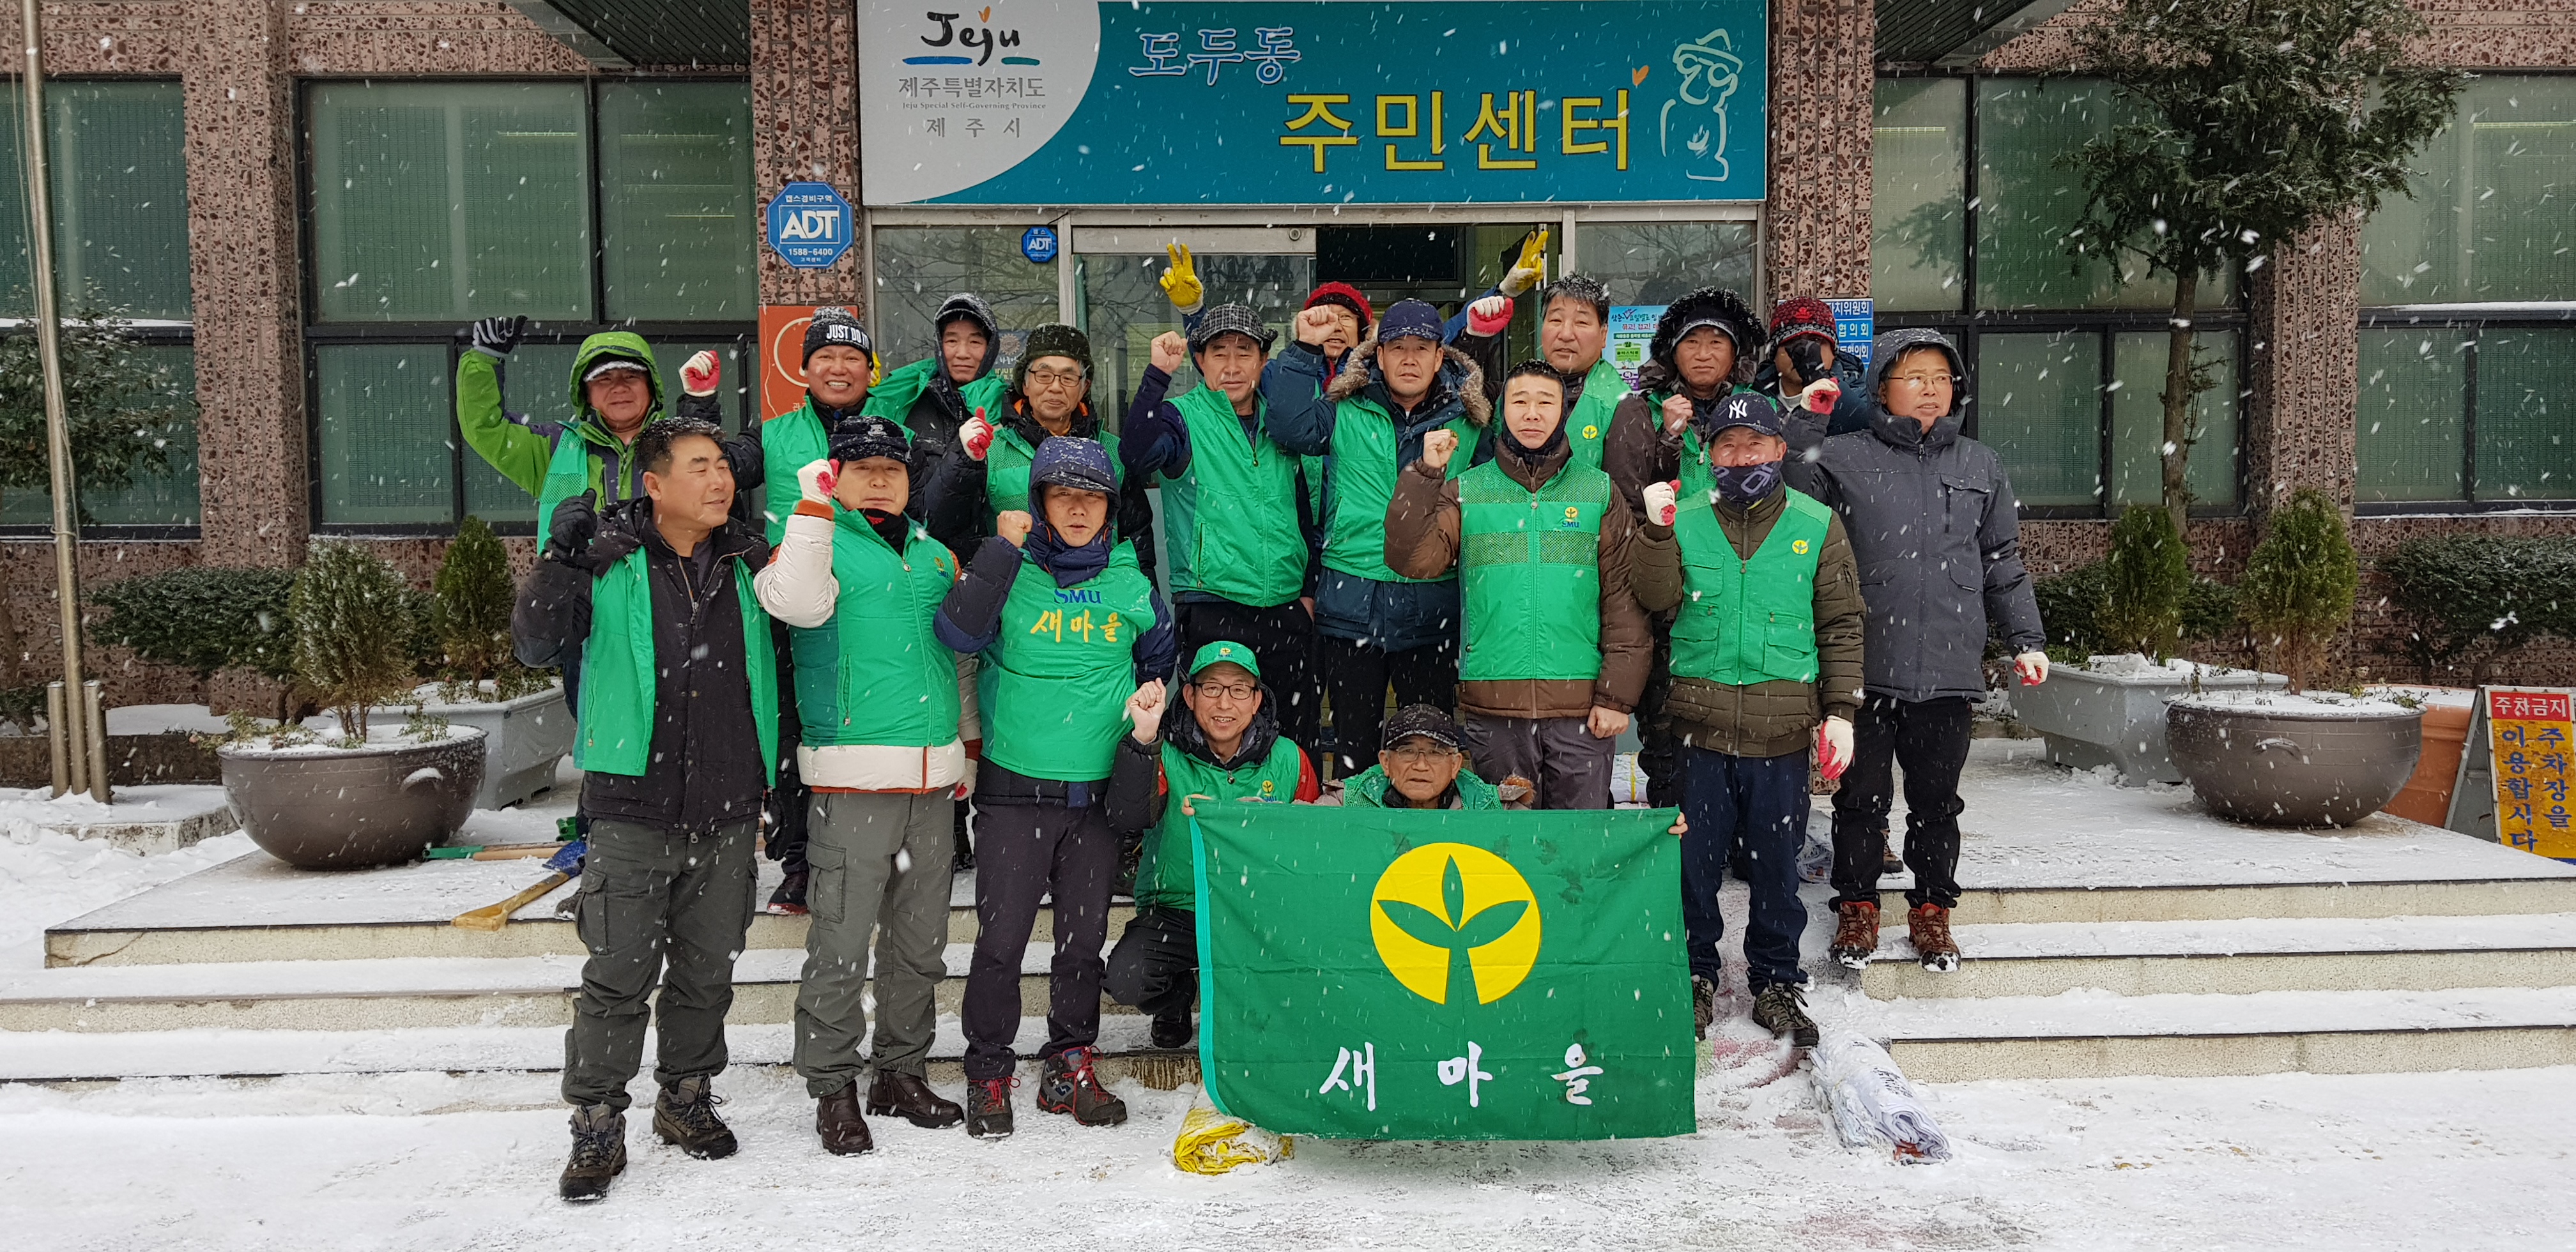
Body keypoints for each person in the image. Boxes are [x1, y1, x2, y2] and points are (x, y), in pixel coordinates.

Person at [509, 417, 778, 1203]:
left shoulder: (748, 559)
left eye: (725, 465)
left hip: (728, 804)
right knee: (618, 973)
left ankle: (686, 1095)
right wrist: (559, 558)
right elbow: (532, 643)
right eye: (700, 466)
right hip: (631, 804)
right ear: (654, 484)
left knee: (706, 970)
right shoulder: (609, 557)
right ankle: (596, 1115)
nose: (721, 478)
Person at [1784, 329, 2051, 974]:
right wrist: (1802, 422)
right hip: (1865, 667)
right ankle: (1857, 906)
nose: (1931, 390)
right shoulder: (1842, 455)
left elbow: (2002, 562)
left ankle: (1933, 911)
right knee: (1859, 802)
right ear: (1882, 389)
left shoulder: (1981, 466)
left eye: (1941, 378)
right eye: (1915, 377)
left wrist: (2026, 639)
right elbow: (1790, 492)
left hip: (1949, 669)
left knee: (1938, 803)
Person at [934, 436, 1178, 1139]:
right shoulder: (1008, 566)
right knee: (1002, 942)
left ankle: (1069, 1063)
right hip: (1015, 794)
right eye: (1062, 494)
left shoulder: (1133, 584)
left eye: (1092, 496)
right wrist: (1002, 554)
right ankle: (988, 1071)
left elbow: (1160, 664)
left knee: (1081, 945)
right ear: (1037, 502)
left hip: (1094, 799)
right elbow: (955, 629)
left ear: (1108, 507)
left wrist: (1149, 707)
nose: (1078, 507)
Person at [752, 415, 977, 1156]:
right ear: (834, 474)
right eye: (862, 465)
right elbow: (797, 604)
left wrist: (967, 750)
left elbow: (960, 662)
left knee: (920, 945)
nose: (880, 476)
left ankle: (900, 1072)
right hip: (852, 783)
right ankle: (832, 1084)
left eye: (893, 466)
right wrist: (812, 509)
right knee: (841, 944)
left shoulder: (934, 556)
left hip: (932, 782)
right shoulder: (814, 541)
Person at [1630, 392, 1865, 1050]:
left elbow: (1841, 623)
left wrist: (1841, 711)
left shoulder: (1817, 523)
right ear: (1710, 454)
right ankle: (1694, 975)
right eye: (1728, 446)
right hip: (1697, 731)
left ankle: (1775, 981)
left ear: (1778, 450)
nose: (1742, 457)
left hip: (1782, 734)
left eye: (1754, 445)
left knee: (1775, 872)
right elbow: (1654, 600)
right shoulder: (1685, 517)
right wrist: (1654, 532)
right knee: (1692, 868)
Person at [1386, 362, 1650, 809]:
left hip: (1581, 707)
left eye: (1545, 402)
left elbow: (1624, 600)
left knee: (1577, 846)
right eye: (1519, 401)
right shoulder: (1468, 490)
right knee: (1506, 850)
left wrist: (1616, 697)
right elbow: (1411, 560)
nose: (1532, 413)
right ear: (1501, 411)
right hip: (1494, 706)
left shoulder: (1598, 492)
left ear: (1563, 411)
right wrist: (1426, 477)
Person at [1267, 298, 1509, 775]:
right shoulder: (1344, 409)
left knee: (1428, 751)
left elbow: (1488, 502)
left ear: (1441, 357)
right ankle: (1360, 839)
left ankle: (1422, 844)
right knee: (1356, 750)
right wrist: (1303, 351)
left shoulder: (1469, 419)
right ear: (1378, 356)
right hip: (1351, 600)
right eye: (1397, 348)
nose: (1409, 359)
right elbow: (1288, 427)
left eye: (1422, 348)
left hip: (1431, 607)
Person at [1121, 305, 1324, 749]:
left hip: (1286, 607)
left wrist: (1308, 591)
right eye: (1219, 353)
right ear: (1200, 360)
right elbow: (1134, 457)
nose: (1232, 367)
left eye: (1244, 352)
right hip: (1214, 604)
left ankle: (1294, 816)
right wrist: (1156, 377)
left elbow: (1304, 512)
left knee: (1294, 738)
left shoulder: (1282, 422)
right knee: (1216, 739)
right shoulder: (1182, 418)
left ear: (1263, 360)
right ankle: (1214, 819)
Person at [1102, 641, 1321, 1050]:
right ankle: (1176, 995)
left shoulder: (1288, 759)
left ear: (1257, 700)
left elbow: (1310, 843)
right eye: (1211, 688)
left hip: (1258, 911)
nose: (1225, 702)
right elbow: (1128, 817)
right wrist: (1144, 736)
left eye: (1239, 690)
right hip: (1179, 907)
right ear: (1189, 695)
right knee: (1128, 977)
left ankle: (1249, 1008)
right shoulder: (1164, 752)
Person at [1603, 289, 1769, 809]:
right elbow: (1629, 502)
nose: (1702, 352)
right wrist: (1670, 440)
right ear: (1671, 351)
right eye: (1691, 341)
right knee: (1668, 727)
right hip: (1667, 593)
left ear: (1735, 351)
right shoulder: (1638, 411)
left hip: (1739, 589)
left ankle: (1736, 837)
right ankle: (1674, 837)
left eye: (1716, 341)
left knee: (1740, 726)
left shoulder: (1756, 412)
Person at [755, 307, 889, 913]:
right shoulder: (772, 436)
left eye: (852, 358)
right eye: (826, 358)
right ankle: (798, 859)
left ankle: (881, 853)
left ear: (870, 370)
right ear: (804, 368)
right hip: (795, 607)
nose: (839, 368)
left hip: (870, 604)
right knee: (794, 731)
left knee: (863, 724)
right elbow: (715, 482)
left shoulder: (894, 435)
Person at [456, 316, 731, 538]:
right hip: (582, 600)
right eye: (604, 380)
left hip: (669, 599)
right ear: (585, 393)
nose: (619, 387)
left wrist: (700, 402)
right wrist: (484, 360)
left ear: (651, 387)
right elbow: (487, 429)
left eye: (631, 376)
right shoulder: (553, 448)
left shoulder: (677, 445)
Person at [922, 323, 1153, 564]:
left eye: (1068, 377)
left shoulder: (1112, 452)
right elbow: (938, 522)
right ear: (1025, 384)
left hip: (1099, 597)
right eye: (1043, 375)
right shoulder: (991, 450)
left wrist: (1143, 595)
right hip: (1017, 594)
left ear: (1085, 386)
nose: (1055, 387)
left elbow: (1138, 538)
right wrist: (962, 458)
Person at [864, 293, 1006, 460]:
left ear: (990, 349)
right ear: (939, 345)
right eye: (952, 341)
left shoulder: (1007, 407)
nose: (962, 353)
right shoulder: (908, 401)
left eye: (975, 342)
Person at [1319, 703, 1508, 810]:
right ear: (1386, 762)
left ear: (1455, 765)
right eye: (1407, 752)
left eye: (1435, 753)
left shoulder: (1491, 807)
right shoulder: (1345, 804)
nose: (1420, 765)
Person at [1534, 274, 1627, 471]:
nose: (1566, 334)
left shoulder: (1622, 405)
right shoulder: (1514, 391)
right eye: (1556, 320)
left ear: (1604, 335)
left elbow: (1625, 498)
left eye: (1581, 323)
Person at [1758, 297, 1874, 439]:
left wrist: (1824, 387)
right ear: (1774, 355)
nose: (1805, 352)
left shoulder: (1866, 397)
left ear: (1834, 353)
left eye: (1816, 341)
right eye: (1792, 342)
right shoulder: (1751, 396)